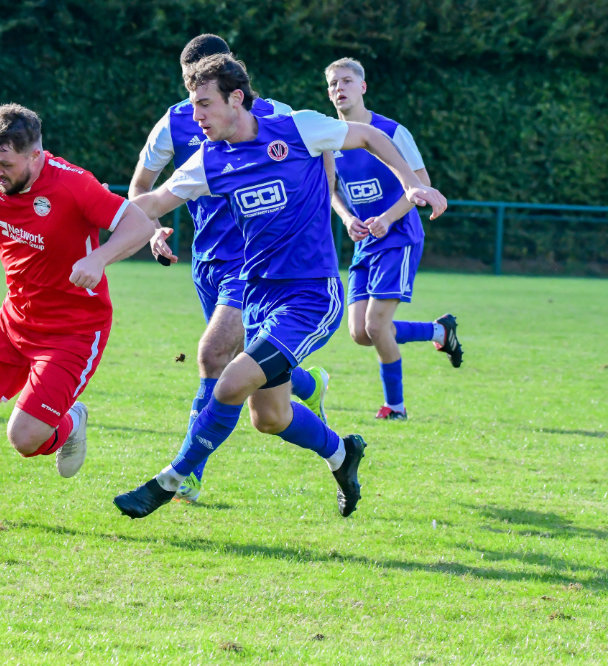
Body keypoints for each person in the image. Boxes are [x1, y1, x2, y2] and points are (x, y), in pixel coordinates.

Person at [114, 54, 447, 520]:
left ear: (235, 98)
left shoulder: (296, 127)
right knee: (269, 417)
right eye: (192, 106)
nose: (196, 116)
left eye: (204, 104)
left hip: (310, 297)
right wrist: (98, 225)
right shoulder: (209, 160)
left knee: (229, 381)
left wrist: (411, 185)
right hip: (259, 298)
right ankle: (342, 453)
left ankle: (169, 481)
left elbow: (370, 136)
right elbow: (152, 201)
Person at [0, 103, 155, 523]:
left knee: (24, 438)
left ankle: (69, 421)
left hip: (74, 330)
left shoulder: (73, 184)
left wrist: (99, 259)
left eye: (7, 164)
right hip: (16, 317)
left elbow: (140, 225)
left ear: (36, 155)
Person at [130, 33, 331, 504]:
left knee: (213, 354)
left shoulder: (271, 115)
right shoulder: (174, 121)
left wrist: (316, 214)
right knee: (243, 361)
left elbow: (319, 150)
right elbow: (143, 186)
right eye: (189, 85)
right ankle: (308, 383)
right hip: (207, 259)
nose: (195, 99)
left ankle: (188, 473)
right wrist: (153, 230)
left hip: (253, 259)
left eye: (203, 85)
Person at [325, 58, 463, 420]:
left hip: (399, 236)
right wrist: (347, 218)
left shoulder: (392, 131)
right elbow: (331, 188)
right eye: (333, 84)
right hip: (365, 242)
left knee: (376, 325)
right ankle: (438, 331)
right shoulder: (329, 138)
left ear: (362, 87)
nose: (339, 88)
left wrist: (387, 218)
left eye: (347, 81)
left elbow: (422, 184)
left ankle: (396, 407)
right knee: (360, 333)